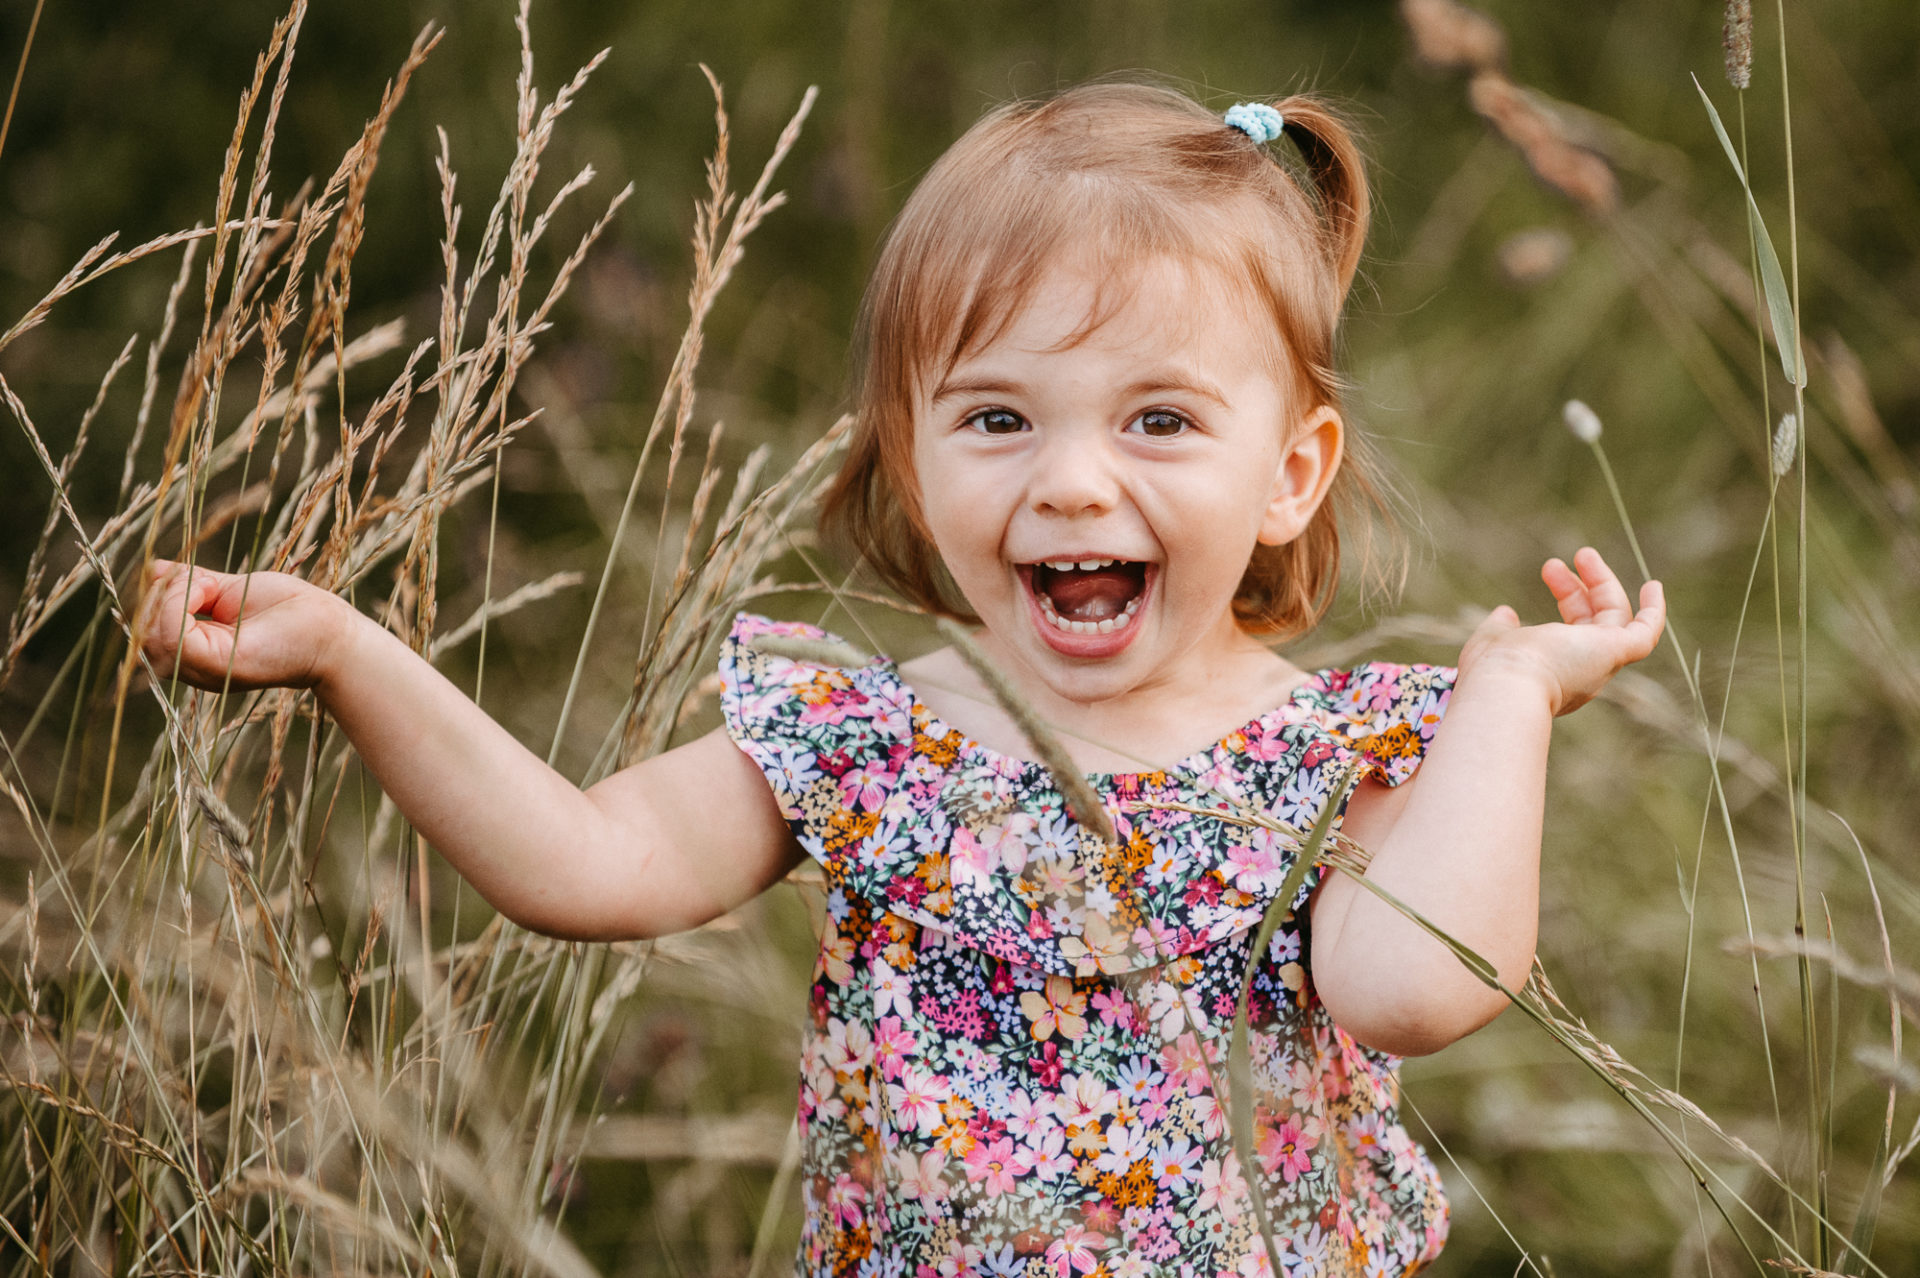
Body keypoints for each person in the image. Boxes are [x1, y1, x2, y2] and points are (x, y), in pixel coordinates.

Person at [144, 82, 1664, 1278]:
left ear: (1290, 471)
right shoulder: (871, 738)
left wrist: (1507, 700)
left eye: (1157, 421)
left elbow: (1414, 990)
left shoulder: (1329, 755)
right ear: (909, 446)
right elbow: (583, 860)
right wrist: (350, 653)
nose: (1071, 484)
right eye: (999, 419)